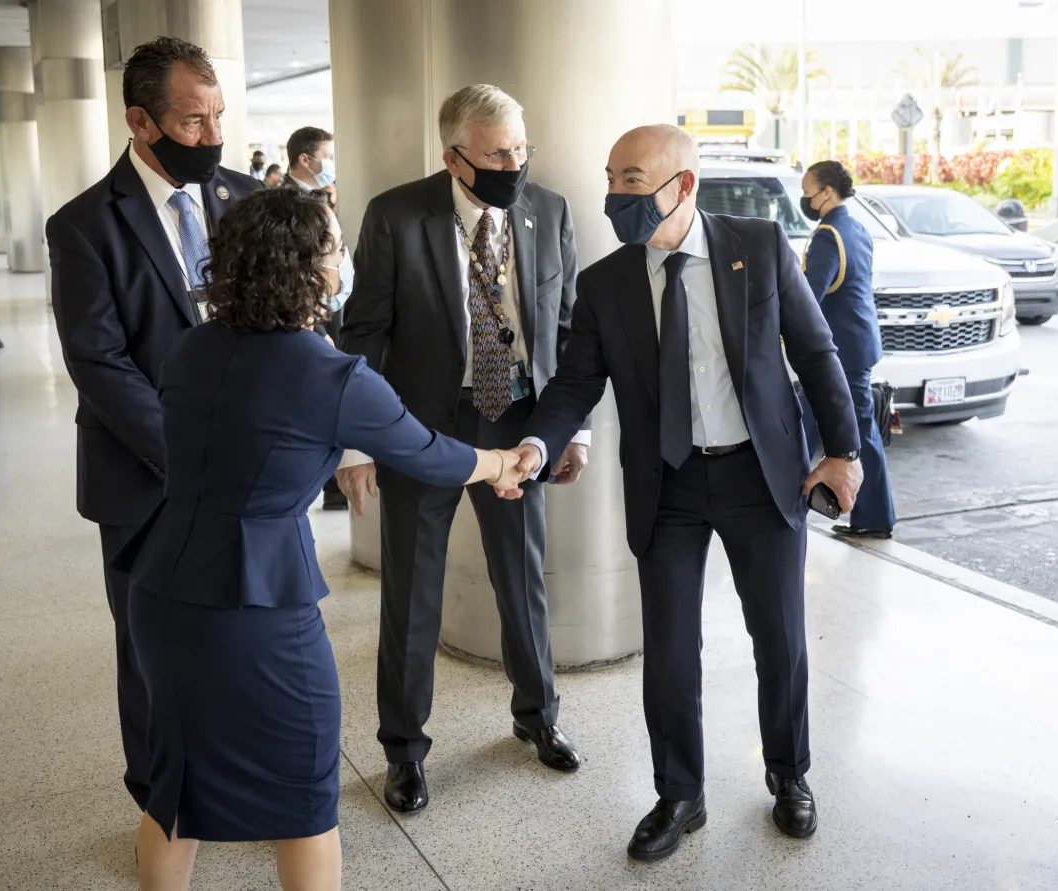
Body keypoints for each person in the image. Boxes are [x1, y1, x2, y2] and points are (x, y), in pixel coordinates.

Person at [117, 187, 529, 891]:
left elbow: (253, 424)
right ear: (309, 266)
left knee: (174, 782)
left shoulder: (193, 346)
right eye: (335, 246)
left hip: (161, 590)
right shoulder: (332, 374)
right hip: (256, 607)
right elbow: (428, 452)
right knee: (304, 792)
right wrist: (498, 463)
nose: (343, 259)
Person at [511, 125, 862, 861]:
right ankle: (679, 793)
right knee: (669, 648)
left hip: (758, 474)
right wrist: (541, 442)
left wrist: (844, 452)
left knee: (780, 637)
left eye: (632, 180)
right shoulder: (606, 283)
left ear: (684, 185)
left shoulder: (758, 247)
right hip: (665, 481)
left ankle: (788, 773)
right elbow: (577, 381)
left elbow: (816, 351)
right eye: (611, 178)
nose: (615, 195)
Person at [337, 84, 587, 814]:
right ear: (454, 156)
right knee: (412, 597)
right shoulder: (396, 215)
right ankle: (404, 750)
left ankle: (538, 717)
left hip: (520, 426)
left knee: (524, 580)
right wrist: (359, 442)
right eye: (498, 153)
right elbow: (363, 336)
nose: (514, 163)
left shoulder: (549, 210)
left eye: (521, 148)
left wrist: (572, 430)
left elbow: (566, 327)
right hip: (425, 433)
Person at [46, 36, 262, 817]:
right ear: (140, 121)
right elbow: (99, 362)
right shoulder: (83, 226)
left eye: (218, 119)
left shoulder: (246, 201)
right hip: (146, 480)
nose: (212, 138)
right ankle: (161, 800)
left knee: (240, 639)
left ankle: (233, 782)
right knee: (150, 651)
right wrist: (188, 456)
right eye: (193, 122)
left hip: (250, 475)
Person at [800, 160, 895, 540]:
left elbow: (808, 296)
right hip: (857, 342)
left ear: (827, 192)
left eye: (807, 191)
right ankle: (869, 514)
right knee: (820, 423)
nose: (804, 198)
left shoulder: (827, 235)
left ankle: (873, 518)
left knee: (857, 433)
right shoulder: (856, 228)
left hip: (840, 350)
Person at [283, 125, 353, 511]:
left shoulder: (326, 197)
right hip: (308, 317)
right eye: (327, 155)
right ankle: (328, 481)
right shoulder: (281, 206)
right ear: (305, 159)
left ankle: (332, 482)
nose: (332, 164)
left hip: (331, 310)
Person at [283, 126, 337, 210]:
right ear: (305, 160)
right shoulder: (286, 204)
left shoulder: (318, 194)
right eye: (329, 157)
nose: (333, 163)